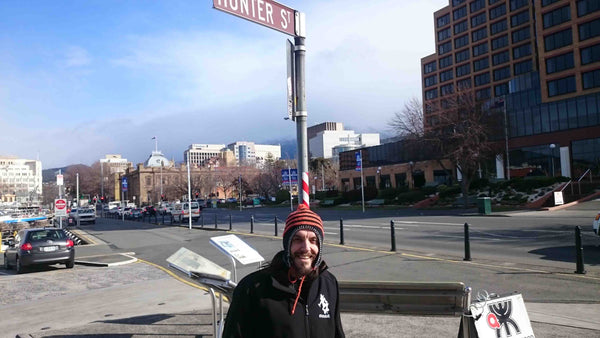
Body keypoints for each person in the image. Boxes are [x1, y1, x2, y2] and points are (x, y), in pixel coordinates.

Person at [222, 204, 345, 338]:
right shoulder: (252, 289)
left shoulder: (328, 284)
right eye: (298, 239)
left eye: (313, 240)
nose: (306, 248)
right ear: (287, 244)